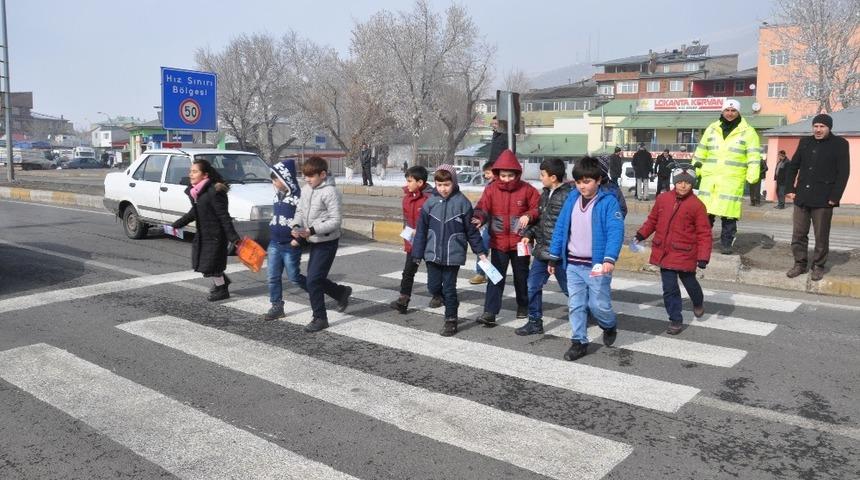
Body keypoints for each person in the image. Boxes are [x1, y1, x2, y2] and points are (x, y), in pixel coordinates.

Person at [547, 156, 624, 361]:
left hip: (597, 265)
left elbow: (615, 231)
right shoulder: (572, 199)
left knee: (599, 306)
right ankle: (579, 341)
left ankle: (609, 325)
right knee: (576, 305)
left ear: (598, 180)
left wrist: (609, 259)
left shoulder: (608, 202)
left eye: (587, 181)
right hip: (573, 264)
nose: (582, 186)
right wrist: (553, 257)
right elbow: (561, 227)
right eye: (579, 181)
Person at [633, 165, 712, 335]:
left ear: (692, 184)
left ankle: (698, 302)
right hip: (665, 253)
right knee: (670, 289)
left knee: (690, 284)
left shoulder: (697, 205)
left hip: (685, 253)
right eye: (680, 182)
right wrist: (641, 234)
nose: (683, 185)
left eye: (687, 183)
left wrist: (703, 257)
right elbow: (652, 220)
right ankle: (675, 319)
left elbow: (704, 233)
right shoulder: (663, 199)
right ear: (674, 182)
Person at [411, 165, 487, 336]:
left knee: (449, 289)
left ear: (454, 183)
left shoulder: (462, 203)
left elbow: (471, 232)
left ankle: (451, 319)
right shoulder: (429, 203)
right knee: (433, 286)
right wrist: (417, 254)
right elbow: (421, 231)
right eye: (439, 185)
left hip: (453, 255)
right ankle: (442, 298)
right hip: (432, 255)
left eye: (447, 184)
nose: (443, 189)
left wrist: (480, 252)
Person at [472, 150, 540, 326]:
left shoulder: (527, 189)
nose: (507, 179)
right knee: (495, 277)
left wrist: (529, 215)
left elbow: (538, 207)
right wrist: (479, 218)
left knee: (521, 276)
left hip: (521, 242)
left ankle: (523, 305)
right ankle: (490, 312)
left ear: (517, 174)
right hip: (498, 242)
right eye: (503, 175)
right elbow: (482, 208)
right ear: (497, 174)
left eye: (511, 175)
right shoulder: (491, 190)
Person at [784, 113, 850, 282]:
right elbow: (793, 166)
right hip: (802, 197)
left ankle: (818, 266)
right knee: (798, 234)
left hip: (824, 199)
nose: (818, 130)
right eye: (815, 126)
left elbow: (843, 173)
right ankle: (799, 264)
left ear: (829, 128)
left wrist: (835, 197)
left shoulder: (840, 144)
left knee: (821, 235)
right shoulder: (805, 142)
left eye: (822, 127)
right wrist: (790, 188)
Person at [290, 156, 353, 332]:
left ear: (322, 174)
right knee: (315, 279)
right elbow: (300, 211)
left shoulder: (330, 192)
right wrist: (296, 226)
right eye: (305, 175)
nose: (307, 179)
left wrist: (312, 230)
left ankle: (320, 318)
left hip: (327, 241)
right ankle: (340, 292)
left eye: (311, 176)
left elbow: (335, 220)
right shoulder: (306, 189)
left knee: (313, 280)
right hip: (313, 239)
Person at [692, 98, 761, 255]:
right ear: (722, 111)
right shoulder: (712, 128)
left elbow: (753, 156)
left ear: (738, 112)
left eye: (733, 111)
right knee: (704, 215)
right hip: (710, 179)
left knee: (729, 215)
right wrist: (694, 170)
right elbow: (701, 151)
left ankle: (726, 243)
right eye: (727, 110)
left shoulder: (748, 132)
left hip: (732, 180)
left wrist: (752, 175)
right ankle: (701, 242)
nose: (730, 113)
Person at [171, 158, 241, 302]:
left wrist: (234, 238)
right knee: (203, 264)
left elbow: (223, 216)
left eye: (195, 171)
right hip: (203, 234)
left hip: (215, 236)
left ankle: (222, 290)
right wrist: (177, 224)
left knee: (211, 266)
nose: (191, 174)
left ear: (205, 175)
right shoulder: (196, 192)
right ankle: (222, 282)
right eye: (190, 171)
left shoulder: (214, 191)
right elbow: (195, 211)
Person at [516, 158, 572, 335]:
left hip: (560, 253)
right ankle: (534, 321)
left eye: (542, 174)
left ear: (553, 177)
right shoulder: (545, 194)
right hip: (542, 251)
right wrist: (528, 235)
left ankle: (586, 311)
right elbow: (540, 220)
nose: (540, 178)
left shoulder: (568, 196)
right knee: (532, 286)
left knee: (570, 289)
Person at [262, 159, 308, 321]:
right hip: (275, 243)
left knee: (294, 277)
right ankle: (276, 306)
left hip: (290, 244)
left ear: (285, 178)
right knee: (272, 277)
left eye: (276, 179)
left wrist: (299, 240)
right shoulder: (277, 196)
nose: (274, 183)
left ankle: (316, 291)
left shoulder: (298, 198)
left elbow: (304, 221)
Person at [389, 165, 434, 313]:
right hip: (413, 243)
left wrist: (421, 232)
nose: (407, 184)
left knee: (434, 272)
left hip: (429, 243)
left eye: (410, 181)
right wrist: (407, 235)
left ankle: (438, 295)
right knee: (408, 272)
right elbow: (406, 220)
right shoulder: (407, 199)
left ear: (420, 183)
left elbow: (435, 222)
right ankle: (403, 300)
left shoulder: (430, 199)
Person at [469, 161, 496, 285]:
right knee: (483, 247)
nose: (486, 176)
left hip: (504, 227)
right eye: (485, 173)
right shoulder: (489, 187)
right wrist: (477, 216)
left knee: (500, 254)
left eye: (488, 173)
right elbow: (482, 204)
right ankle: (481, 273)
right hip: (490, 224)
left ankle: (495, 276)